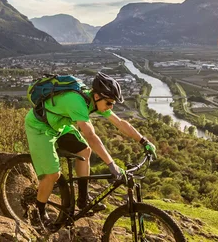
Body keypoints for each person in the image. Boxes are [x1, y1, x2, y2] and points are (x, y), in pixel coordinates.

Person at [24, 72, 156, 226]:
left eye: (112, 103)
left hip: (59, 125)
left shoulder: (94, 101)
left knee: (84, 151)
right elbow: (90, 135)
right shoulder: (76, 102)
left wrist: (144, 141)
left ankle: (82, 199)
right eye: (109, 103)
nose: (111, 107)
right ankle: (38, 213)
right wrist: (111, 165)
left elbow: (120, 122)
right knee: (53, 174)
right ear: (98, 96)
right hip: (40, 127)